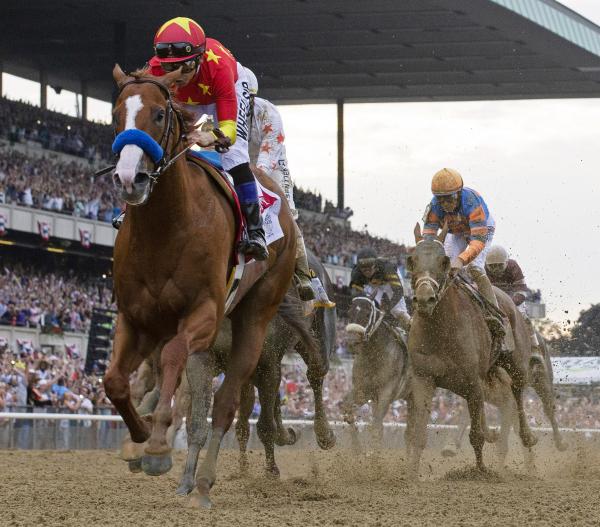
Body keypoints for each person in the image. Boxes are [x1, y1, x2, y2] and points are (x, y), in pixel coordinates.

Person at [115, 17, 268, 260]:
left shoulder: (218, 69)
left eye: (186, 67)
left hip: (226, 91)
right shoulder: (155, 70)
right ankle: (132, 207)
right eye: (170, 68)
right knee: (164, 144)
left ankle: (256, 230)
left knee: (234, 154)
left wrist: (209, 135)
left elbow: (228, 132)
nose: (178, 74)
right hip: (189, 99)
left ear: (199, 58)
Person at [244, 68, 334, 307]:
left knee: (288, 216)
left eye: (243, 99)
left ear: (251, 96)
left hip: (271, 165)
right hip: (240, 161)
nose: (238, 103)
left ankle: (305, 274)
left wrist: (255, 175)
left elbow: (269, 150)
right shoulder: (226, 110)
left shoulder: (269, 112)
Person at [422, 168, 507, 346]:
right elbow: (429, 237)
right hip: (457, 232)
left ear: (459, 193)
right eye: (441, 199)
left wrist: (461, 260)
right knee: (443, 267)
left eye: (449, 198)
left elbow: (477, 241)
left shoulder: (471, 201)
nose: (445, 204)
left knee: (474, 267)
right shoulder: (434, 206)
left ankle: (495, 315)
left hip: (481, 231)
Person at [485, 245, 542, 356]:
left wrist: (510, 302)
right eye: (493, 266)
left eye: (499, 266)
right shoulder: (482, 268)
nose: (496, 270)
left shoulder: (513, 266)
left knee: (524, 317)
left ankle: (535, 347)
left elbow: (521, 289)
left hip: (513, 298)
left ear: (507, 262)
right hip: (491, 298)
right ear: (486, 264)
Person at [349, 248, 411, 332]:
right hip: (373, 284)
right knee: (368, 305)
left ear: (376, 264)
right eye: (364, 269)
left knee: (397, 310)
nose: (367, 271)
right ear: (359, 268)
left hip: (389, 283)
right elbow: (356, 296)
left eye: (370, 267)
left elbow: (398, 291)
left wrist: (388, 309)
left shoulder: (387, 268)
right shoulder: (356, 273)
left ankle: (410, 326)